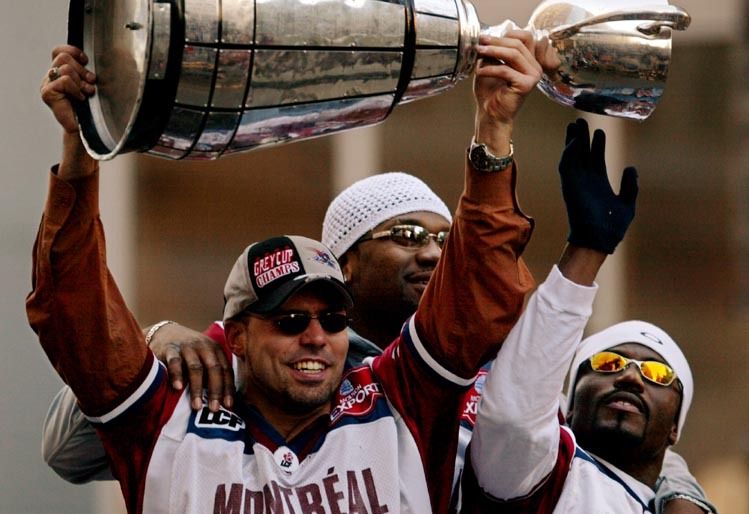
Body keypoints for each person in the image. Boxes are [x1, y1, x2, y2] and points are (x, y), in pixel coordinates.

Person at [29, 33, 542, 513]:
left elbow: (480, 285)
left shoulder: (406, 396)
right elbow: (75, 311)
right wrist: (79, 148)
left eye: (333, 320)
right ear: (236, 338)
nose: (317, 336)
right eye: (290, 320)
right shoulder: (186, 397)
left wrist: (494, 128)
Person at [461, 120, 715, 513]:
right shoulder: (537, 474)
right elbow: (514, 419)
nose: (630, 376)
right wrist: (587, 249)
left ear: (676, 428)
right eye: (608, 363)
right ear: (569, 404)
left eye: (658, 375)